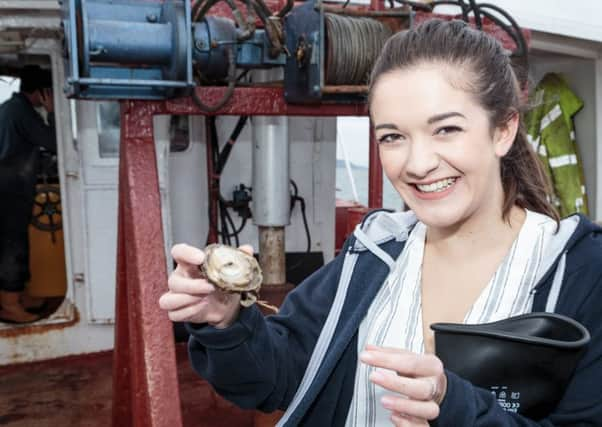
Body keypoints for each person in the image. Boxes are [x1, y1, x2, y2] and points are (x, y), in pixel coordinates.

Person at [159, 19, 602, 426]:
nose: (418, 163)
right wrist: (226, 323)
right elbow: (274, 376)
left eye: (446, 129)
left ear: (503, 130)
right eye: (392, 137)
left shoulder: (583, 273)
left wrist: (456, 408)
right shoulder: (373, 252)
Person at [0, 65, 56, 323]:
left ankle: (18, 294)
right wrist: (53, 113)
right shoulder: (22, 112)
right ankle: (10, 303)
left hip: (8, 185)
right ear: (41, 92)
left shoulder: (11, 109)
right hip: (11, 188)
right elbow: (54, 141)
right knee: (13, 244)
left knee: (13, 241)